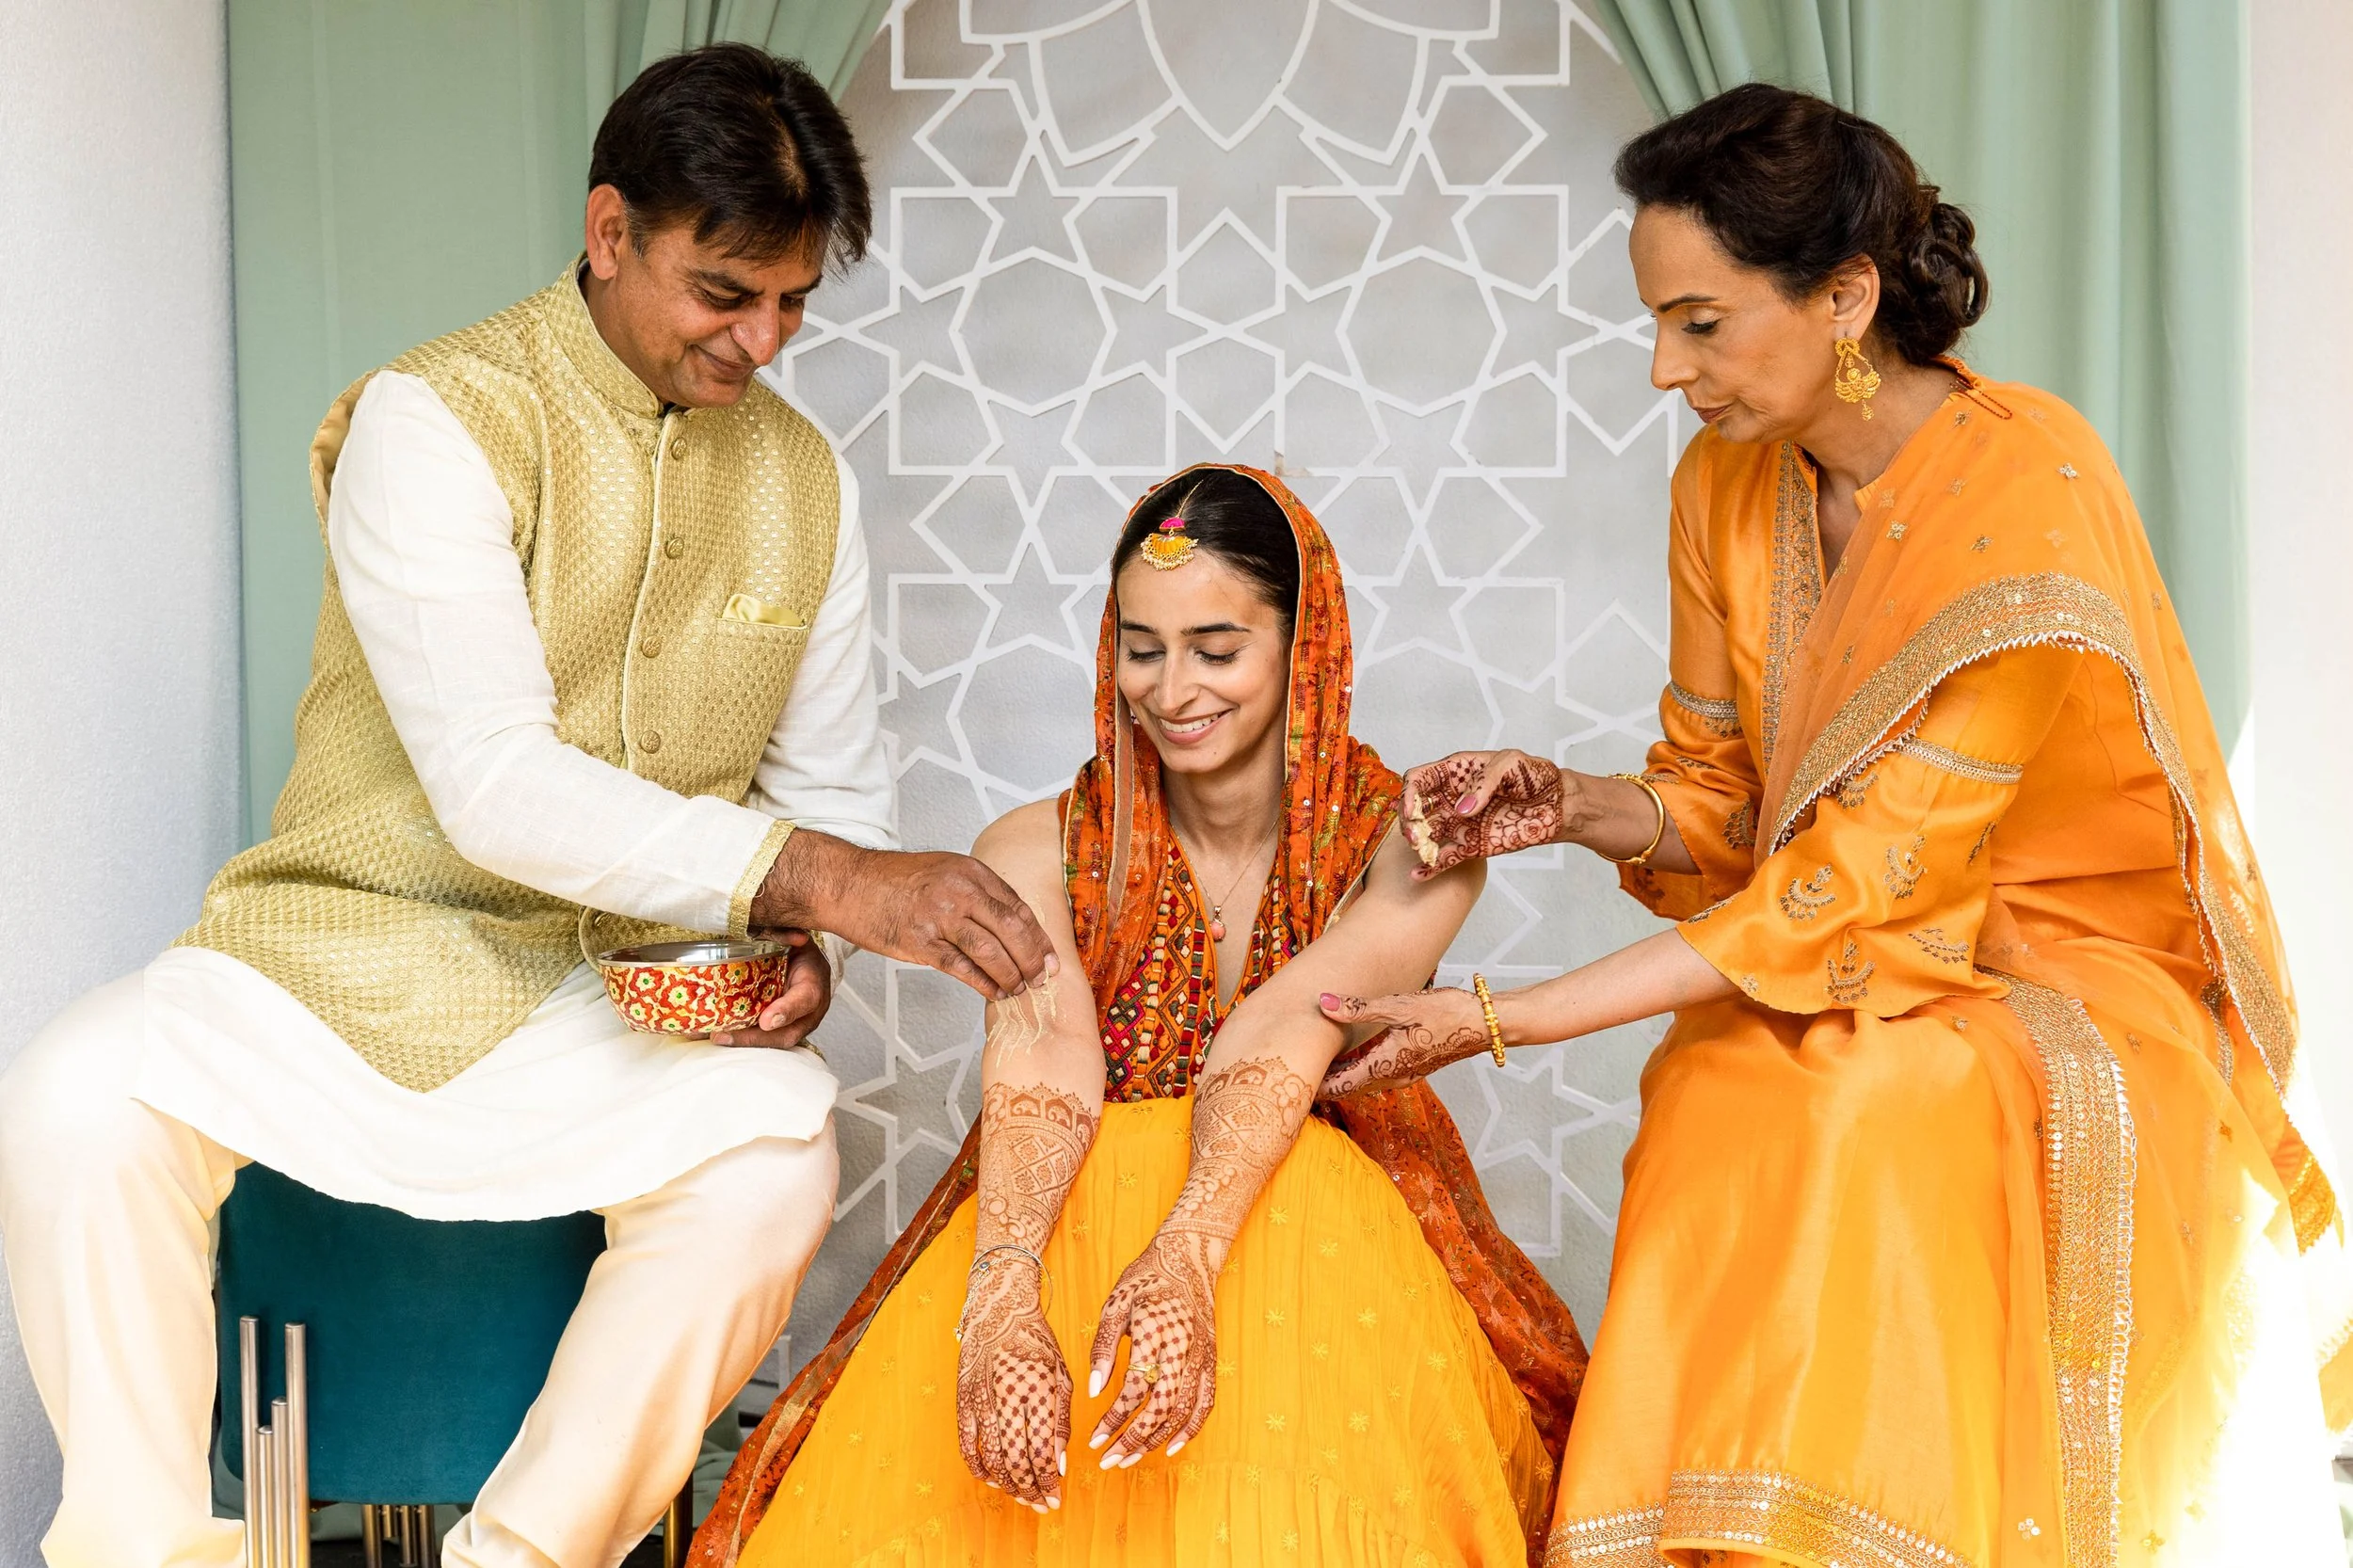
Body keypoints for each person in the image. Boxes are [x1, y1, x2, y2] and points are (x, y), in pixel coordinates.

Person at [0, 44, 1053, 1568]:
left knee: (774, 1154)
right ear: (611, 230)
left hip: (612, 1013)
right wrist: (822, 877)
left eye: (794, 301)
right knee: (78, 1091)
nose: (762, 338)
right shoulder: (431, 423)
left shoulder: (806, 484)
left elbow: (831, 797)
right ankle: (151, 1548)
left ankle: (521, 1553)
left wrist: (804, 959)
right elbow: (496, 786)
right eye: (725, 291)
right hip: (346, 969)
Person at [1320, 84, 2353, 1567]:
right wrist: (1578, 805)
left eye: (1701, 323)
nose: (1666, 370)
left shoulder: (2029, 482)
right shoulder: (1721, 487)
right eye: (1659, 325)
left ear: (1847, 295)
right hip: (1849, 945)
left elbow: (1878, 868)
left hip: (2059, 967)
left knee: (1868, 1103)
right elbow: (1733, 804)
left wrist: (1499, 1015)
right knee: (1721, 1077)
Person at [689, 466, 1586, 1567]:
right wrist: (1004, 1289)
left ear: (1305, 650)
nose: (1173, 688)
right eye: (1142, 645)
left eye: (1217, 648)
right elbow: (1047, 1055)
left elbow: (1287, 1030)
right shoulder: (1033, 845)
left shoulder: (1408, 842)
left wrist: (1184, 1262)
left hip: (1305, 1209)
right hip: (1057, 1193)